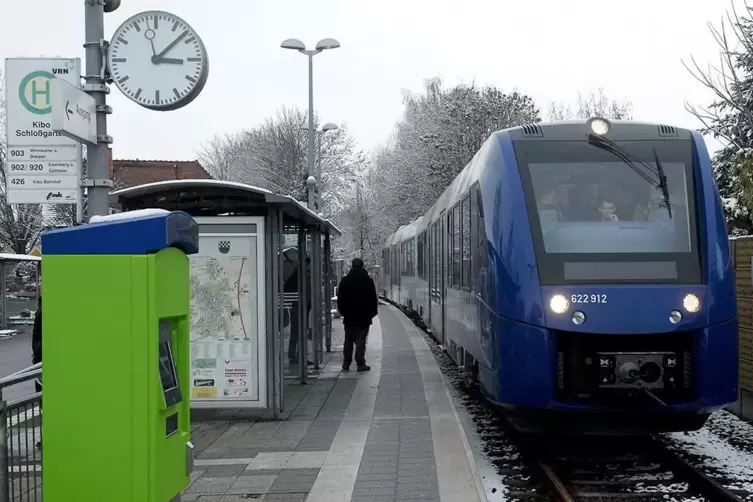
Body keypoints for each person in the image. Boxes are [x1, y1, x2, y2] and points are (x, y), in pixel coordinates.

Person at [336, 258, 378, 372]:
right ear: (362, 266)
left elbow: (340, 299)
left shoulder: (345, 281)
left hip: (349, 316)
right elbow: (373, 299)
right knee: (361, 339)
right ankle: (360, 363)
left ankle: (346, 363)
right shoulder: (368, 281)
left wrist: (343, 312)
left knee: (348, 339)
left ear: (352, 266)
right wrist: (372, 313)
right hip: (364, 316)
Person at [31, 279, 42, 449]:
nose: (39, 285)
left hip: (42, 361)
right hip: (39, 360)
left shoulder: (47, 306)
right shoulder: (42, 304)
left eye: (42, 281)